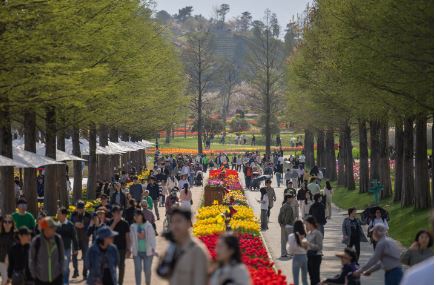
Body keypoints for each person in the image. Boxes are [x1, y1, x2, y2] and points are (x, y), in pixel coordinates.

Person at [158, 208, 210, 285]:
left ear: (189, 223)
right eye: (172, 222)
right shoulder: (172, 248)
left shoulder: (197, 251)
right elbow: (164, 274)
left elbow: (200, 280)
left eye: (179, 221)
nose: (175, 225)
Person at [29, 217, 64, 285]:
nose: (55, 229)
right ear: (45, 229)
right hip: (40, 280)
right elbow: (31, 260)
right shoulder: (36, 241)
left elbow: (62, 257)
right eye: (53, 227)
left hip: (56, 278)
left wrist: (61, 271)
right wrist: (35, 275)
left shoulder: (58, 239)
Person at [130, 210, 156, 285]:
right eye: (135, 216)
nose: (137, 217)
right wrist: (131, 250)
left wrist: (153, 249)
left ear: (142, 216)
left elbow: (152, 239)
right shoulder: (132, 226)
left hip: (148, 252)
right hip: (137, 252)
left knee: (147, 270)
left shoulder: (148, 225)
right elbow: (131, 239)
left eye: (138, 215)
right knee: (138, 270)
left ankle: (148, 283)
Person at [107, 206, 130, 285]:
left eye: (120, 213)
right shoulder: (110, 222)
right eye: (117, 213)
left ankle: (120, 283)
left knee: (121, 268)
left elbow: (127, 237)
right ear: (113, 214)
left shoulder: (125, 223)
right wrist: (115, 222)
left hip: (122, 249)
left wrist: (128, 249)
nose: (119, 215)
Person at [56, 207, 79, 285]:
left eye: (59, 213)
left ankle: (65, 282)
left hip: (66, 249)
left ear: (64, 215)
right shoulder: (56, 225)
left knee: (65, 267)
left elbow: (74, 237)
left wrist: (76, 248)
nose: (57, 215)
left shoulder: (70, 225)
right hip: (57, 250)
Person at [70, 200, 91, 279]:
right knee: (74, 256)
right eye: (78, 208)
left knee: (85, 257)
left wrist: (84, 226)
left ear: (84, 208)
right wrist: (75, 224)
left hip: (85, 238)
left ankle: (85, 273)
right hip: (75, 238)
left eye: (81, 208)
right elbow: (71, 223)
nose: (80, 210)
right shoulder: (73, 214)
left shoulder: (88, 215)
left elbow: (90, 225)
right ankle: (76, 271)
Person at [287, 220, 308, 285]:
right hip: (305, 257)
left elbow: (290, 250)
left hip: (296, 257)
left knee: (296, 279)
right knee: (304, 279)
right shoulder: (305, 235)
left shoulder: (291, 236)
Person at [305, 216, 323, 285]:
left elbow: (319, 247)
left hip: (316, 256)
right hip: (309, 256)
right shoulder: (308, 233)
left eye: (307, 224)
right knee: (311, 276)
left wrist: (309, 244)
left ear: (311, 224)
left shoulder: (317, 233)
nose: (306, 226)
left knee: (315, 277)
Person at [278, 193, 297, 258]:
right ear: (288, 199)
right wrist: (285, 223)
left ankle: (283, 253)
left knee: (283, 240)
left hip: (283, 225)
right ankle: (291, 253)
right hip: (289, 225)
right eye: (291, 198)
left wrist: (281, 223)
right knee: (291, 240)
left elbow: (279, 216)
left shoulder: (283, 206)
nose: (292, 199)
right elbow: (288, 217)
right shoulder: (289, 207)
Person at [0, 215, 15, 285]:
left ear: (12, 224)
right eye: (5, 222)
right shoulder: (1, 235)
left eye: (9, 222)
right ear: (2, 223)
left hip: (14, 262)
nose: (7, 224)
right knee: (5, 280)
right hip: (2, 261)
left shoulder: (16, 235)